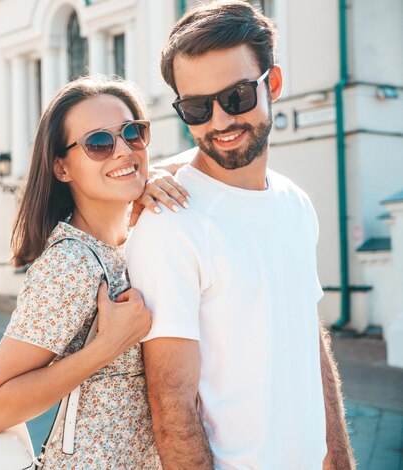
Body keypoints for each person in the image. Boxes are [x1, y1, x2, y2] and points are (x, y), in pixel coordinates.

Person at [126, 2, 355, 469]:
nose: (219, 122)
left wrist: (341, 459)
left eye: (236, 97)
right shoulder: (170, 223)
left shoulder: (295, 203)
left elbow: (311, 345)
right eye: (195, 107)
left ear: (272, 84)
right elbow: (172, 411)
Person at [0, 76, 188, 468]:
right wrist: (108, 346)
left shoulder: (135, 240)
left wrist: (153, 176)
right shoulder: (70, 263)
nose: (122, 151)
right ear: (61, 167)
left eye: (132, 134)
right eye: (99, 144)